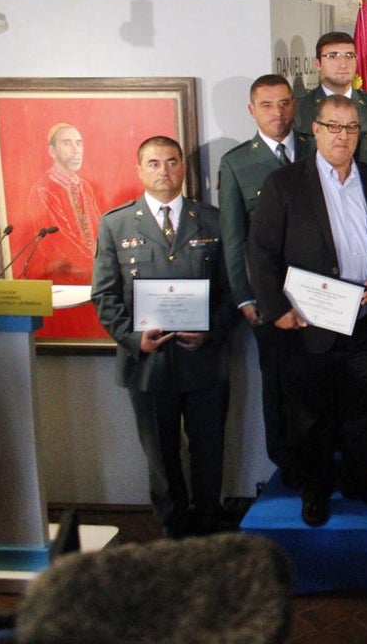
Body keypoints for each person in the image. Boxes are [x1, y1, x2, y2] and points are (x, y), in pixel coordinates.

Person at [247, 94, 367, 527]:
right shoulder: (285, 183)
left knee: (364, 409)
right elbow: (261, 252)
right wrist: (276, 309)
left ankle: (359, 481)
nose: (343, 136)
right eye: (334, 127)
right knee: (309, 415)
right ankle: (315, 490)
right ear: (315, 130)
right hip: (306, 322)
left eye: (352, 127)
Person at [91, 136, 233, 537]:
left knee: (209, 452)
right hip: (148, 364)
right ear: (139, 170)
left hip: (205, 361)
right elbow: (104, 294)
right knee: (161, 457)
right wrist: (134, 339)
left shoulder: (213, 220)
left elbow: (233, 291)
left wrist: (212, 331)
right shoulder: (115, 224)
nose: (164, 171)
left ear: (183, 168)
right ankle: (173, 531)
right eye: (153, 164)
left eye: (171, 162)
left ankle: (207, 530)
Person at [217, 74, 313, 487]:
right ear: (252, 110)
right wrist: (244, 296)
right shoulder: (238, 163)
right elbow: (234, 236)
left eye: (285, 103)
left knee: (323, 380)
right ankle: (288, 466)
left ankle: (327, 458)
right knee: (278, 384)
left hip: (321, 294)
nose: (278, 113)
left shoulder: (316, 147)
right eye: (268, 105)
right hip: (271, 297)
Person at [294, 31, 367, 164]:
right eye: (333, 56)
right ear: (318, 64)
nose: (343, 64)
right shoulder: (300, 108)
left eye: (349, 56)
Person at [26, 123, 102, 283]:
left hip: (94, 276)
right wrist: (100, 266)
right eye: (67, 143)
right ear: (52, 151)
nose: (76, 150)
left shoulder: (84, 186)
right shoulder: (44, 189)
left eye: (79, 143)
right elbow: (60, 242)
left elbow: (99, 228)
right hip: (65, 279)